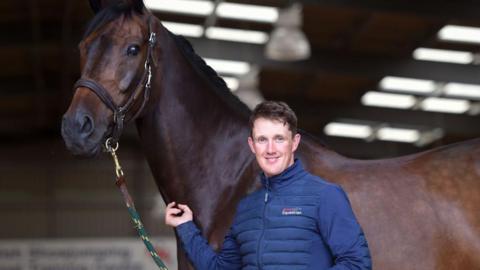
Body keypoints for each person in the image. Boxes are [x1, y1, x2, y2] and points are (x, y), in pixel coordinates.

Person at [165, 101, 372, 270]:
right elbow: (219, 268)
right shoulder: (246, 208)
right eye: (262, 140)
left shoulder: (325, 195)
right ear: (252, 145)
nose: (270, 149)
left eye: (279, 139)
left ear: (294, 142)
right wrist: (185, 227)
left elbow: (357, 264)